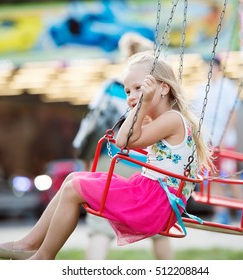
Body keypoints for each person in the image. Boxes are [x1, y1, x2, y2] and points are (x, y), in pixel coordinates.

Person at [0, 51, 210, 260]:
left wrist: (142, 104)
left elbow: (124, 141)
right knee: (72, 179)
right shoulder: (164, 120)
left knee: (74, 188)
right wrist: (142, 105)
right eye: (128, 91)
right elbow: (131, 140)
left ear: (163, 88)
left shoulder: (171, 119)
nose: (132, 96)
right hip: (149, 195)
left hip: (153, 203)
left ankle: (43, 258)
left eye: (139, 88)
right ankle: (29, 243)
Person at [73, 33, 173, 260]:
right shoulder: (155, 91)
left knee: (100, 224)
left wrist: (85, 159)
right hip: (147, 163)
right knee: (159, 229)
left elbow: (89, 126)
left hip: (111, 160)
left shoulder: (110, 88)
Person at [191, 56, 243, 229]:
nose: (208, 70)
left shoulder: (227, 86)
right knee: (212, 177)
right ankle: (221, 213)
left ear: (219, 68)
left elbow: (233, 111)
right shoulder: (200, 89)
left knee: (231, 175)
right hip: (207, 140)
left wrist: (227, 133)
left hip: (225, 140)